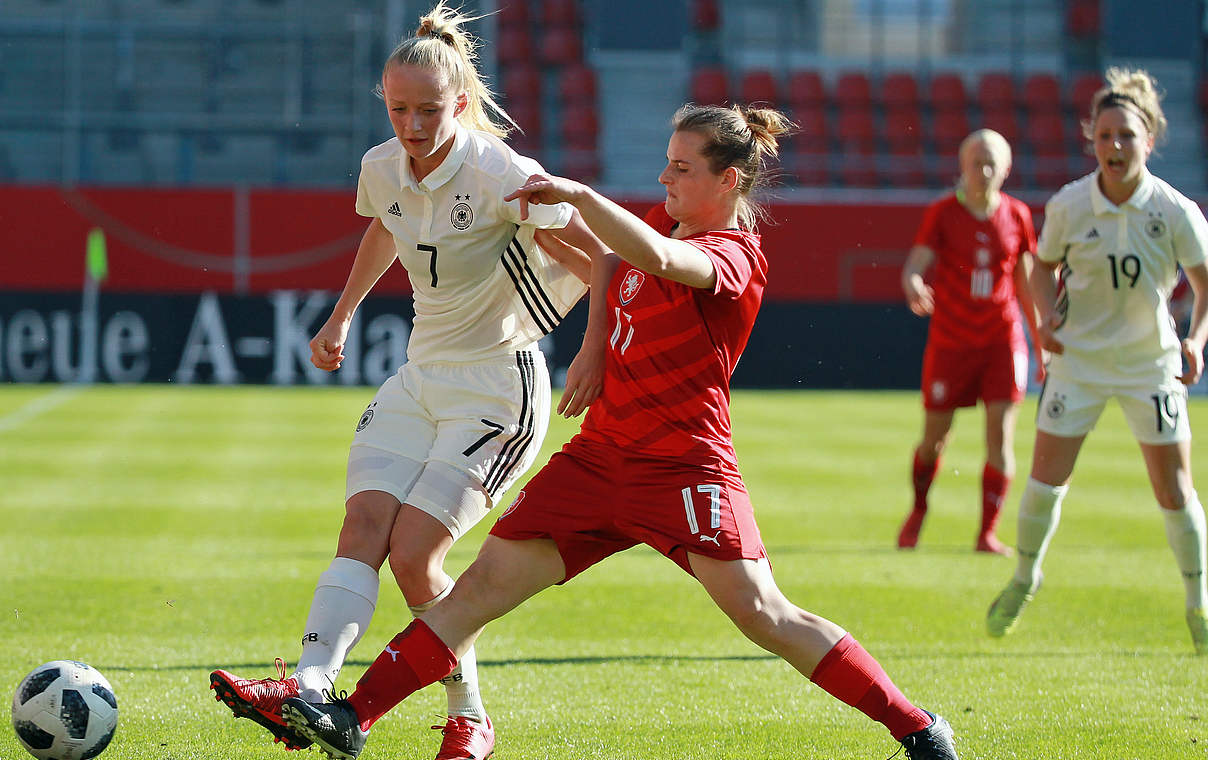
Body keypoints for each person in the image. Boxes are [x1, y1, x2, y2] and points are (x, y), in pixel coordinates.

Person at [278, 103, 959, 760]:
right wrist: (593, 336)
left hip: (682, 466)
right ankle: (352, 715)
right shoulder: (666, 221)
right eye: (666, 164)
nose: (665, 180)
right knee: (481, 588)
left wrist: (577, 193)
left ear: (728, 181)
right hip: (600, 458)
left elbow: (659, 260)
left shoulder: (734, 256)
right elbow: (612, 265)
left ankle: (917, 727)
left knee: (763, 614)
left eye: (682, 168)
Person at [207, 5, 605, 758]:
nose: (412, 125)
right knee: (362, 530)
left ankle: (470, 718)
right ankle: (312, 690)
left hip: (499, 386)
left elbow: (604, 261)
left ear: (459, 101)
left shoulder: (502, 174)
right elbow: (387, 223)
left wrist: (594, 354)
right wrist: (342, 315)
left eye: (427, 109)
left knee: (415, 556)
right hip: (421, 380)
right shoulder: (381, 165)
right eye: (398, 110)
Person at [985, 68, 1208, 655]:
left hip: (1149, 364)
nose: (1115, 146)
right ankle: (1025, 575)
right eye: (1105, 135)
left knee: (1175, 489)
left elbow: (1204, 282)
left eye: (1127, 136)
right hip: (1079, 362)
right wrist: (1044, 322)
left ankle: (1198, 601)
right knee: (1044, 480)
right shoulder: (1070, 205)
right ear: (1093, 140)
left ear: (1148, 141)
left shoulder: (1176, 210)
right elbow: (1039, 268)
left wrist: (1195, 339)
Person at [897, 129, 1040, 555]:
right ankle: (919, 509)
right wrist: (913, 283)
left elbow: (1027, 284)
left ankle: (987, 533)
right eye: (977, 162)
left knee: (1000, 437)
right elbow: (915, 266)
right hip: (952, 340)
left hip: (1002, 337)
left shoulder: (1018, 215)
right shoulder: (942, 212)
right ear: (962, 166)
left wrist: (1040, 342)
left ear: (1007, 168)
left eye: (992, 162)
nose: (984, 171)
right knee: (934, 439)